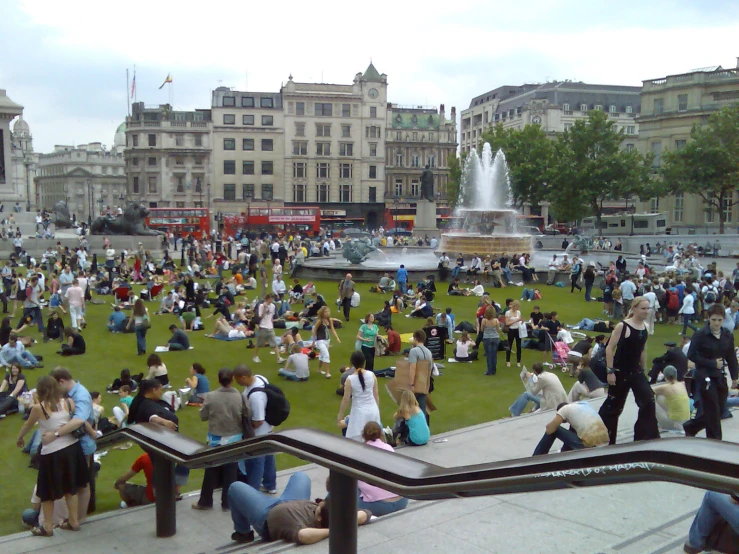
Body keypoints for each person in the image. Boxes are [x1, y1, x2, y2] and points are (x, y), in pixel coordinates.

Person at [16, 376, 89, 536]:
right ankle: (73, 521)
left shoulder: (39, 408)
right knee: (71, 488)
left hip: (52, 452)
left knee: (46, 491)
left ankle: (47, 526)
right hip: (72, 448)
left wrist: (20, 438)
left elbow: (27, 425)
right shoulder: (69, 403)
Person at [228, 470, 372, 544]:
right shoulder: (332, 516)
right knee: (301, 476)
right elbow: (366, 513)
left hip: (267, 514)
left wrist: (332, 531)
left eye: (320, 506)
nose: (319, 503)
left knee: (235, 488)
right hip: (294, 500)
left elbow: (303, 536)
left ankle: (243, 533)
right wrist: (342, 526)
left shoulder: (302, 528)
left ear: (320, 516)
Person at [598, 297, 660, 444]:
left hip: (636, 371)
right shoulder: (622, 326)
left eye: (647, 308)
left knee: (648, 399)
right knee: (614, 406)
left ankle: (644, 437)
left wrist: (643, 371)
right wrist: (610, 371)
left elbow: (643, 350)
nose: (646, 311)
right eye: (643, 308)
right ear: (634, 309)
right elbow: (609, 348)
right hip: (620, 371)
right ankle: (607, 438)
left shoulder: (645, 327)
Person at [683, 304, 739, 440]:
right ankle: (715, 441)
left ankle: (692, 426)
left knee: (719, 410)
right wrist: (712, 363)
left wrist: (735, 378)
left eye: (719, 320)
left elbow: (731, 356)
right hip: (704, 375)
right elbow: (692, 355)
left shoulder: (727, 335)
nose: (716, 323)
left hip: (719, 376)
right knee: (712, 409)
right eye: (714, 320)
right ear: (708, 318)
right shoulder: (701, 334)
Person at [193, 368, 243, 511]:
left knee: (211, 470)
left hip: (215, 439)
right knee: (230, 471)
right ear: (232, 379)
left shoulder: (211, 396)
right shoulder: (240, 396)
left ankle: (205, 502)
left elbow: (203, 416)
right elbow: (246, 416)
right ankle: (227, 504)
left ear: (218, 379)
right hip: (234, 438)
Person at [232, 365, 277, 494]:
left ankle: (253, 492)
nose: (237, 382)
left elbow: (258, 420)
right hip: (268, 429)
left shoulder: (256, 397)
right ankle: (270, 485)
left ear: (244, 377)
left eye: (237, 379)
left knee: (255, 463)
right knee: (269, 458)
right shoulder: (260, 378)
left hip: (258, 434)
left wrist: (246, 427)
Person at [355, 422, 409, 516]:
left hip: (379, 506)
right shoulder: (388, 448)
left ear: (364, 435)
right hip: (402, 501)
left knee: (350, 486)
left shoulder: (360, 453)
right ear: (381, 434)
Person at [532, 401, 610, 456]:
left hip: (589, 447)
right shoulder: (584, 404)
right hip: (605, 443)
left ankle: (536, 459)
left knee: (556, 429)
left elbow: (549, 430)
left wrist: (556, 421)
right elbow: (571, 433)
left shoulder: (564, 410)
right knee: (574, 428)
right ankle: (564, 453)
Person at [337, 350, 381, 441]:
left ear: (352, 363)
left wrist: (340, 413)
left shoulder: (350, 379)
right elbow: (376, 395)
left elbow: (346, 399)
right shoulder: (371, 375)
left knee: (358, 442)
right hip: (373, 410)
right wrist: (377, 410)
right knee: (374, 440)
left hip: (359, 413)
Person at [653, 365, 690, 433]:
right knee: (664, 397)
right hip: (686, 422)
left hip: (675, 425)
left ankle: (651, 423)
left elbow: (648, 391)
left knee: (652, 400)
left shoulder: (665, 388)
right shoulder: (682, 384)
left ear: (665, 376)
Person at [408, 330, 433, 425]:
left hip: (415, 384)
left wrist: (411, 384)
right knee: (422, 408)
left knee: (410, 408)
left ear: (416, 338)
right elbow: (429, 370)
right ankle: (425, 429)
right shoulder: (429, 352)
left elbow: (412, 368)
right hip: (424, 384)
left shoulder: (414, 351)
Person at [312, 306, 341, 379]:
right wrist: (313, 341)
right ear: (322, 313)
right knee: (326, 355)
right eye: (325, 312)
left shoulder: (329, 319)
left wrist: (337, 338)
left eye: (328, 311)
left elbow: (332, 329)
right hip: (320, 340)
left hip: (327, 340)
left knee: (322, 355)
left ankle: (319, 369)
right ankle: (327, 373)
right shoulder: (320, 321)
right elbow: (314, 330)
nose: (327, 313)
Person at [253, 294, 282, 364]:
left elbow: (271, 316)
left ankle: (278, 358)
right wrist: (265, 308)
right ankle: (255, 356)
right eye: (271, 299)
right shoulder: (261, 306)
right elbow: (261, 317)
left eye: (273, 299)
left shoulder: (273, 306)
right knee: (259, 343)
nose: (272, 300)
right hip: (263, 327)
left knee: (274, 343)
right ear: (267, 299)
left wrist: (273, 322)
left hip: (270, 327)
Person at [480, 306, 501, 376]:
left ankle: (489, 370)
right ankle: (494, 370)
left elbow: (482, 330)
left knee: (489, 355)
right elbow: (498, 330)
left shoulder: (484, 320)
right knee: (494, 354)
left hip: (487, 338)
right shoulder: (496, 320)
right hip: (495, 338)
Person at [505, 300, 523, 367]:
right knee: (509, 345)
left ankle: (518, 361)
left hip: (518, 330)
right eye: (517, 307)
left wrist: (521, 321)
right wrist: (516, 320)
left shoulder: (518, 312)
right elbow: (507, 323)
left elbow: (520, 319)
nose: (518, 308)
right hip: (511, 330)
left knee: (519, 346)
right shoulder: (508, 313)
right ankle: (508, 361)